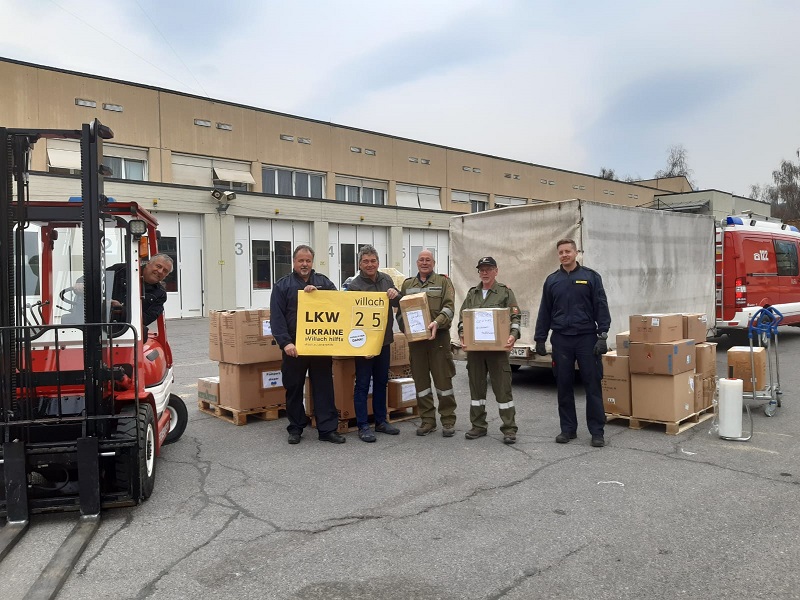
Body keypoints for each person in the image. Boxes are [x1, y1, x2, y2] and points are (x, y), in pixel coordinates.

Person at [534, 239, 611, 448]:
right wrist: (540, 338)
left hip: (587, 338)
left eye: (568, 251)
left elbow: (601, 307)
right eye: (561, 252)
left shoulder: (590, 277)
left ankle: (597, 432)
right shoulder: (552, 281)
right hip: (561, 339)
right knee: (563, 385)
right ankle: (568, 429)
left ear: (576, 253)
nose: (564, 255)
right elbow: (545, 311)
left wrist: (602, 335)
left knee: (592, 385)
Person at [270, 245, 345, 445]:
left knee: (324, 387)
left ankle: (327, 429)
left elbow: (339, 305)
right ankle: (295, 428)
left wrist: (319, 295)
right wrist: (286, 343)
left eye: (308, 261)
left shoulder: (324, 283)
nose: (304, 264)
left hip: (320, 346)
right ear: (294, 262)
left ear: (313, 262)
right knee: (294, 388)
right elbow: (277, 319)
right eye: (301, 260)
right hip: (294, 348)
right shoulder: (282, 286)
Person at [458, 257, 521, 444]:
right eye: (481, 270)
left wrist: (513, 335)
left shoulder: (505, 293)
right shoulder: (472, 294)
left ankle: (509, 429)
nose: (484, 272)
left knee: (503, 391)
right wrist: (462, 335)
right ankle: (478, 426)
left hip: (498, 352)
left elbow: (515, 317)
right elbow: (463, 319)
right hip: (476, 352)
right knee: (476, 390)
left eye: (488, 269)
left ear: (496, 271)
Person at [397, 249, 457, 437]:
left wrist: (436, 323)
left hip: (438, 340)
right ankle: (427, 420)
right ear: (417, 263)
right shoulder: (408, 284)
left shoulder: (443, 282)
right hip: (417, 343)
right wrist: (406, 327)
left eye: (428, 260)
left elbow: (449, 308)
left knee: (443, 382)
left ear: (434, 262)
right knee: (421, 383)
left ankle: (447, 420)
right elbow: (401, 312)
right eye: (421, 260)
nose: (424, 263)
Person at [346, 245, 401, 442]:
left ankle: (381, 421)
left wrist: (396, 295)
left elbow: (398, 303)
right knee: (362, 384)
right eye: (366, 261)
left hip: (384, 341)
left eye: (373, 261)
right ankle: (362, 425)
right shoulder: (354, 285)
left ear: (378, 262)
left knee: (381, 382)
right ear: (360, 264)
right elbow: (348, 317)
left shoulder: (386, 279)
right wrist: (361, 345)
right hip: (363, 344)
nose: (370, 264)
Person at [109, 253, 173, 336]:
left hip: (125, 330)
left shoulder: (160, 295)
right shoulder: (121, 270)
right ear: (148, 263)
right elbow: (95, 281)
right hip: (99, 319)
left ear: (166, 276)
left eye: (165, 271)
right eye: (158, 266)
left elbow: (145, 319)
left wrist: (122, 310)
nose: (160, 271)